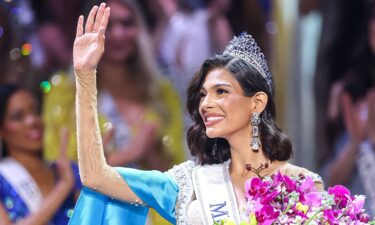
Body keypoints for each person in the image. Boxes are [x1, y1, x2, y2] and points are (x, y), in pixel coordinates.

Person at [69, 3, 323, 225]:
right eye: (203, 95)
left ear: (256, 103)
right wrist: (85, 75)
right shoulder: (189, 182)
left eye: (221, 91)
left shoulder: (302, 184)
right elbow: (95, 176)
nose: (206, 104)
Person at [0, 84, 81, 224]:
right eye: (17, 117)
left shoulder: (66, 170)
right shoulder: (3, 178)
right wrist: (63, 187)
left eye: (35, 111)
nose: (32, 121)